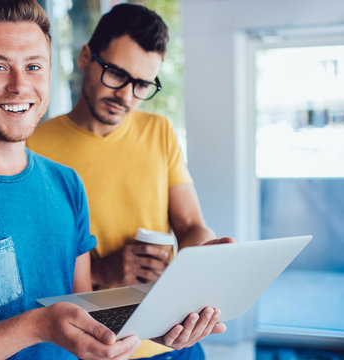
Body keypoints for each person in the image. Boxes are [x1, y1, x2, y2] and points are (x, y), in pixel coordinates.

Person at [0, 1, 224, 359]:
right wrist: (35, 326)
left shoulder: (67, 184)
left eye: (34, 66)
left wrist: (163, 328)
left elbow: (87, 316)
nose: (20, 86)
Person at [27, 3, 232, 359]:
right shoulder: (33, 146)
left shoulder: (160, 132)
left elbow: (191, 226)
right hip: (92, 345)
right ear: (85, 57)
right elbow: (32, 266)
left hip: (171, 340)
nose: (126, 96)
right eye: (117, 75)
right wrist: (102, 269)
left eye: (141, 84)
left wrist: (200, 260)